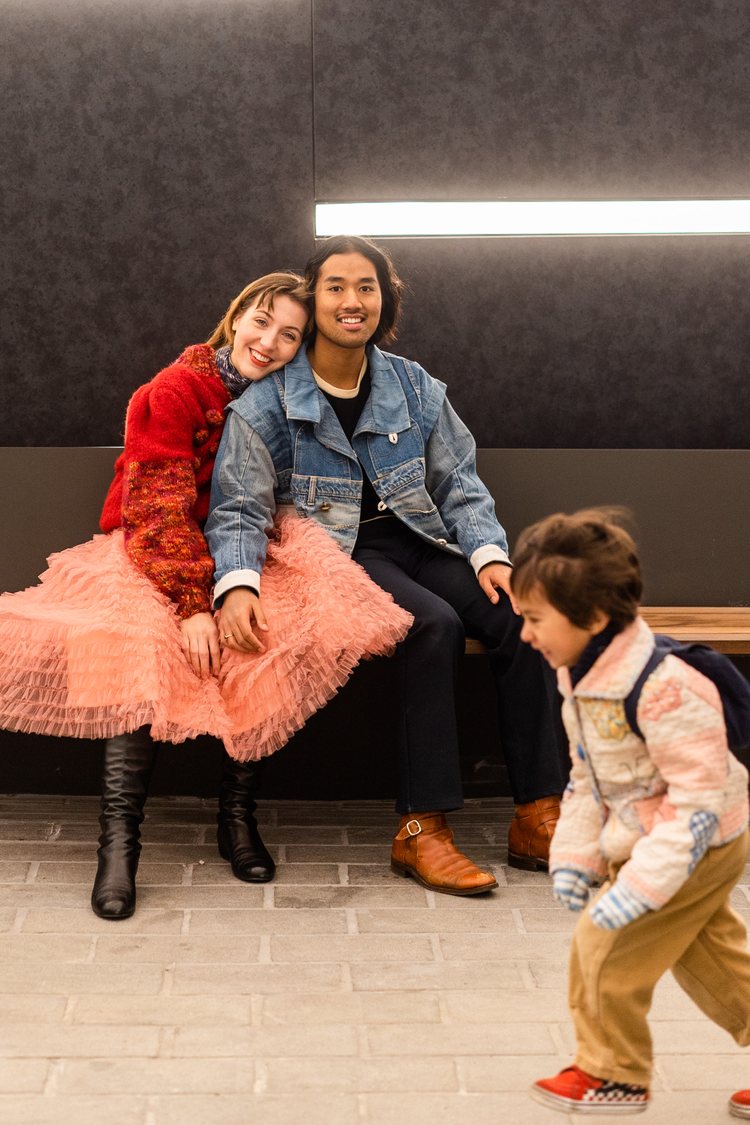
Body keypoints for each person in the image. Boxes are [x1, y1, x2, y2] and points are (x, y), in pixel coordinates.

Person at [0, 271, 411, 920]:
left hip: (236, 546)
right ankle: (118, 845)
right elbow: (157, 505)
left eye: (289, 336)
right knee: (136, 650)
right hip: (152, 547)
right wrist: (194, 604)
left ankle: (236, 816)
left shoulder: (280, 404)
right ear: (236, 315)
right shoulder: (177, 388)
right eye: (261, 321)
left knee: (267, 634)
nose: (269, 341)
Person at [206, 235, 569, 896]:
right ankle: (419, 831)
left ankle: (538, 815)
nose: (352, 300)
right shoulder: (264, 405)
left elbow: (460, 482)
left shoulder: (414, 385)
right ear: (314, 300)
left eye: (366, 286)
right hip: (338, 554)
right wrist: (235, 584)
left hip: (419, 537)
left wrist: (490, 554)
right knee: (428, 624)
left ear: (384, 298)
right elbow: (237, 506)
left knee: (521, 616)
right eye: (336, 286)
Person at [509, 508, 750, 1116]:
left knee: (607, 943)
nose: (526, 635)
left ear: (591, 618)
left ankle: (611, 1074)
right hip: (662, 834)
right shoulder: (581, 674)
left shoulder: (666, 689)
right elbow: (590, 779)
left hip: (699, 839)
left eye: (536, 619)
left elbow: (695, 806)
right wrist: (574, 854)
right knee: (711, 957)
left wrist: (638, 888)